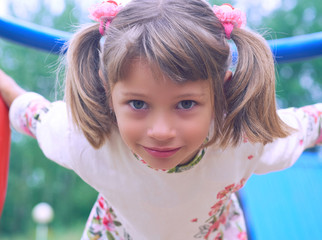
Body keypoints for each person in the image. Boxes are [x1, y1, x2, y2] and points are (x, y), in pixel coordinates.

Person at [0, 0, 321, 239]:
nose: (162, 131)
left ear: (220, 93)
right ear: (107, 90)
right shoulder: (86, 139)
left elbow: (311, 124)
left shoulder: (243, 139)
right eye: (138, 103)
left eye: (185, 103)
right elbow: (32, 112)